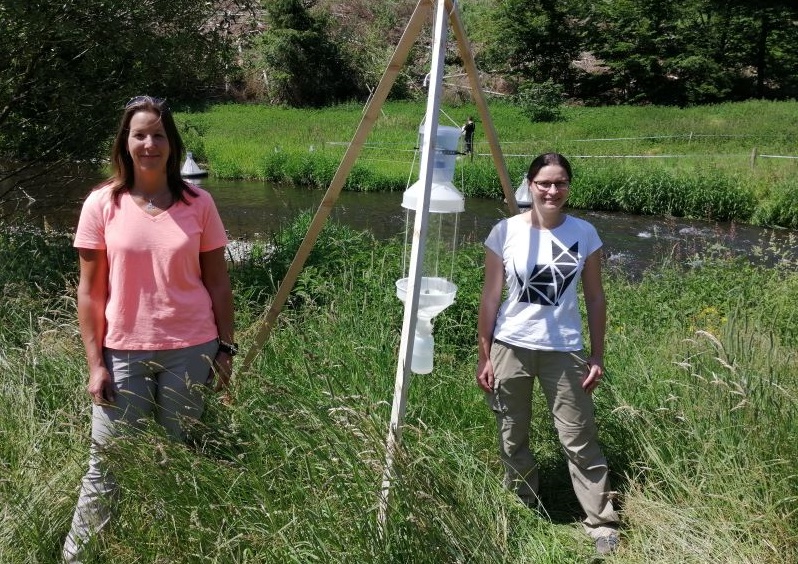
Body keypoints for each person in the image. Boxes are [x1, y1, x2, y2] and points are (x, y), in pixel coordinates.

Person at [63, 95, 236, 562]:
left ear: (171, 143)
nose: (149, 143)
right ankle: (77, 556)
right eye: (139, 134)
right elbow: (90, 293)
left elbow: (218, 284)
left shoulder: (198, 202)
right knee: (106, 466)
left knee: (180, 455)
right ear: (125, 142)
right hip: (124, 351)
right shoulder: (103, 204)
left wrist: (225, 349)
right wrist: (95, 363)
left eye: (158, 134)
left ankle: (175, 548)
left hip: (192, 349)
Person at [475, 153, 620, 555]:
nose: (552, 190)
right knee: (511, 434)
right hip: (510, 347)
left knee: (578, 437)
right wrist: (484, 354)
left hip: (565, 351)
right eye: (544, 183)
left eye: (559, 183)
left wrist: (597, 354)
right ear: (531, 185)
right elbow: (489, 298)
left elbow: (594, 296)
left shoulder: (585, 233)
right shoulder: (505, 231)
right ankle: (521, 508)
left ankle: (601, 521)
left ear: (568, 187)